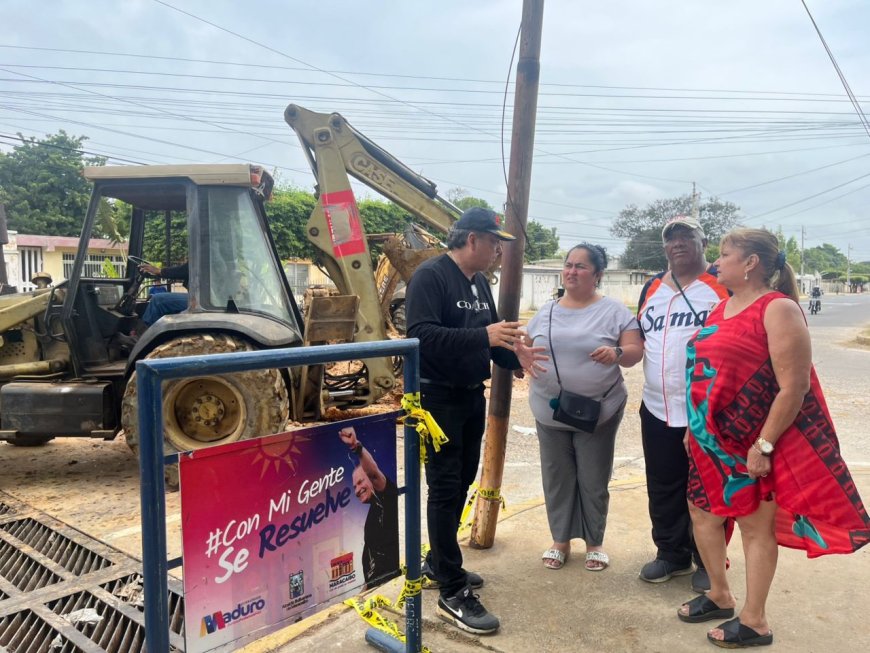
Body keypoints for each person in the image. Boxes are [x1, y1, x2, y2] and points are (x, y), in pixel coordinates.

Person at [676, 228, 870, 648]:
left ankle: (755, 620)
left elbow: (794, 386)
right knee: (703, 516)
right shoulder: (721, 308)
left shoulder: (777, 308)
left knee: (753, 528)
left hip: (751, 443)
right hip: (710, 441)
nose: (716, 262)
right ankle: (719, 593)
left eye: (725, 255)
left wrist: (763, 445)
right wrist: (695, 431)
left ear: (751, 263)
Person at [405, 206, 538, 635]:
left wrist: (514, 357)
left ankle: (438, 562)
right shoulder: (431, 276)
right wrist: (485, 337)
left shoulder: (479, 282)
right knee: (444, 486)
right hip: (435, 397)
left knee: (461, 480)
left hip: (468, 396)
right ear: (472, 240)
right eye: (495, 242)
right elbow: (420, 335)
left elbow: (488, 338)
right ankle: (451, 588)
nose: (499, 250)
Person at [515, 244, 643, 572]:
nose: (572, 271)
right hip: (549, 409)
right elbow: (525, 349)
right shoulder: (546, 311)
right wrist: (520, 355)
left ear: (597, 275)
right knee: (557, 476)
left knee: (593, 476)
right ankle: (560, 539)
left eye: (581, 266)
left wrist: (615, 353)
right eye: (568, 265)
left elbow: (633, 351)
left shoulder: (614, 311)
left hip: (599, 410)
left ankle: (594, 542)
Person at [636, 216, 730, 592]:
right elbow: (638, 336)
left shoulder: (721, 285)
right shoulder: (652, 288)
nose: (678, 243)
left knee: (709, 487)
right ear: (664, 248)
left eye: (686, 236)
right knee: (662, 484)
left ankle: (709, 559)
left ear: (702, 242)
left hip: (705, 408)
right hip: (657, 406)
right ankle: (671, 553)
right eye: (671, 239)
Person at [338, 426, 399, 587]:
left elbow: (373, 473)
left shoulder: (386, 497)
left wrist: (356, 447)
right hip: (374, 585)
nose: (357, 490)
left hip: (387, 583)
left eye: (360, 482)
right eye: (354, 487)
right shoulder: (374, 510)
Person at [139, 261, 189, 326]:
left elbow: (184, 270)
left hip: (202, 301)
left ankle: (144, 332)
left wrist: (160, 271)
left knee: (157, 300)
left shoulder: (202, 257)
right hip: (201, 298)